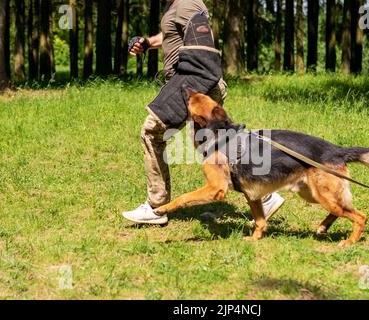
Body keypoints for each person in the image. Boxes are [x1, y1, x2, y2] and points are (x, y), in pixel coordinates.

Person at [122, 0, 284, 225]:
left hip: (192, 84)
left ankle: (156, 205)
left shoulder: (186, 3)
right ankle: (263, 196)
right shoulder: (176, 5)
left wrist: (186, 91)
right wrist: (148, 42)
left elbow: (204, 50)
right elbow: (172, 36)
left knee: (152, 131)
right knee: (219, 148)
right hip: (194, 84)